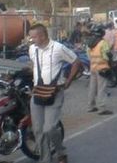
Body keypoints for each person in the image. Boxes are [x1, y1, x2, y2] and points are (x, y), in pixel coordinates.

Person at [28, 23, 81, 163]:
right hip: (38, 92)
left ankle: (60, 151)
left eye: (34, 37)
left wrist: (69, 81)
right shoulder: (32, 49)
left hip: (55, 92)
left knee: (50, 128)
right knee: (38, 130)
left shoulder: (58, 48)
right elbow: (34, 65)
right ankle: (45, 159)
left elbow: (76, 61)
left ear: (43, 35)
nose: (31, 40)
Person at [87, 26, 113, 115]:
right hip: (102, 68)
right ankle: (102, 108)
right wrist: (110, 61)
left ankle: (91, 106)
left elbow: (89, 56)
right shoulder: (103, 43)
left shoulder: (89, 42)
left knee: (92, 88)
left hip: (93, 67)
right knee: (102, 88)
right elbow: (107, 55)